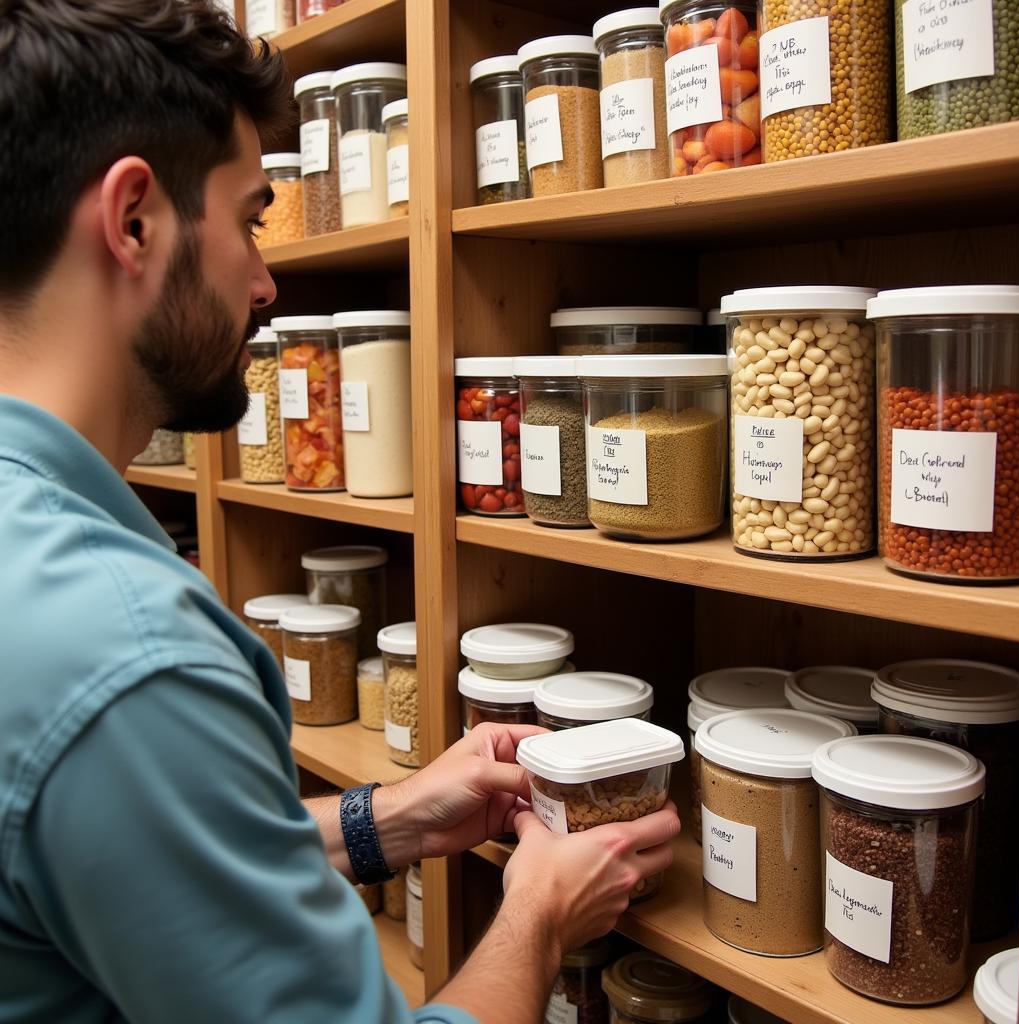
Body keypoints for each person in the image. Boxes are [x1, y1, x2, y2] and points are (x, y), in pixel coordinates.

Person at [0, 3, 681, 1022]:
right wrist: (536, 911)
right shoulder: (128, 658)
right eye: (248, 220)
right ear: (133, 220)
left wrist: (389, 818)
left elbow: (139, 864)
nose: (265, 279)